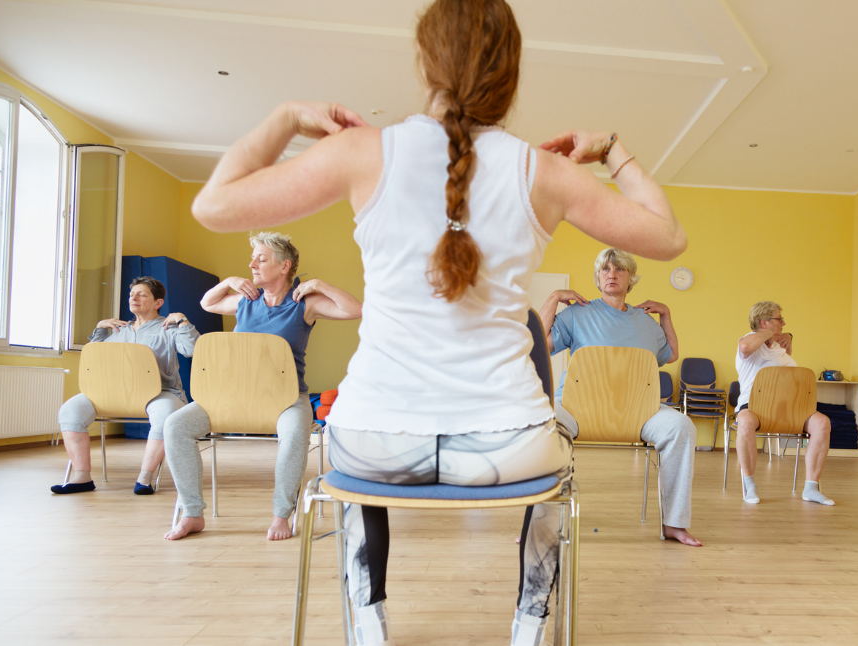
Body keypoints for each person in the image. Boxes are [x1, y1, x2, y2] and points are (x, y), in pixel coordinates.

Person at [185, 0, 686, 641]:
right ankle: (529, 624)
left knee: (352, 458)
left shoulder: (364, 152)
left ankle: (369, 624)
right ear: (512, 72)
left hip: (371, 443)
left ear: (425, 62)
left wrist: (287, 118)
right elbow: (668, 236)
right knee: (560, 433)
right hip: (510, 449)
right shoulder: (547, 172)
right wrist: (613, 151)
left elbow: (213, 203)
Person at [163, 232, 361, 541]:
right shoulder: (246, 299)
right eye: (253, 258)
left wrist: (320, 285)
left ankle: (282, 515)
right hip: (231, 397)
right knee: (175, 426)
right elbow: (207, 302)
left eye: (261, 258)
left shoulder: (304, 303)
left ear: (285, 266)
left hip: (286, 398)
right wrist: (228, 280)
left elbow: (354, 310)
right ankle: (191, 513)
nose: (252, 264)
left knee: (296, 435)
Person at [543, 248, 702, 547]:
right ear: (598, 277)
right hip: (576, 409)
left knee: (682, 427)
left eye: (619, 269)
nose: (611, 274)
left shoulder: (646, 322)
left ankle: (674, 524)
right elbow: (538, 343)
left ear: (631, 279)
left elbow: (671, 354)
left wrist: (666, 313)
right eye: (605, 269)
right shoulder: (577, 314)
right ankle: (544, 522)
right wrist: (553, 298)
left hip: (639, 412)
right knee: (541, 419)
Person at [52, 276, 197, 495]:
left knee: (165, 417)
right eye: (132, 294)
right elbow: (95, 359)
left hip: (160, 393)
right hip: (113, 393)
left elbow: (192, 350)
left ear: (158, 303)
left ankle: (145, 479)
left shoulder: (169, 327)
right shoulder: (118, 330)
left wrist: (183, 321)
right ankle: (81, 477)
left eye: (142, 294)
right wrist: (100, 328)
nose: (134, 297)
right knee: (70, 412)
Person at [733, 301, 834, 505]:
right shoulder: (749, 342)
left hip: (791, 409)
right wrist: (771, 334)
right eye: (779, 319)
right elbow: (745, 346)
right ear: (764, 322)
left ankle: (811, 488)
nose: (784, 323)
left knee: (822, 422)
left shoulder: (780, 346)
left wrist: (787, 337)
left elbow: (785, 364)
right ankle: (750, 485)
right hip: (754, 408)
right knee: (744, 422)